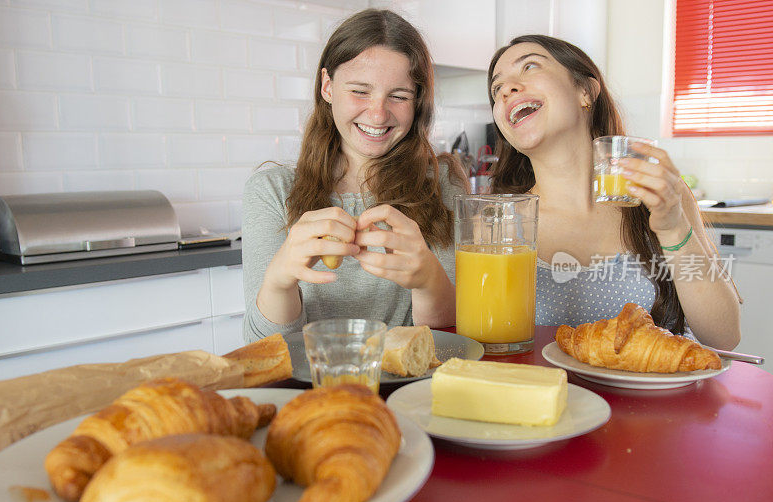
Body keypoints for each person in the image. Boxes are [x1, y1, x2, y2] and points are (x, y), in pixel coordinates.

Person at [486, 35, 741, 349]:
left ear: (585, 92)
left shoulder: (660, 197)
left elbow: (725, 338)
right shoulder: (499, 222)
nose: (508, 88)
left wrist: (673, 227)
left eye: (529, 67)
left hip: (654, 396)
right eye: (497, 89)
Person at [241, 9, 467, 343]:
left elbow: (451, 336)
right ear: (328, 86)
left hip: (411, 390)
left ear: (416, 101)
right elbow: (263, 346)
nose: (378, 113)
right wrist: (279, 279)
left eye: (399, 96)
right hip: (311, 391)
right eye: (360, 91)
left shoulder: (440, 182)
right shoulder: (271, 192)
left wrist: (428, 279)